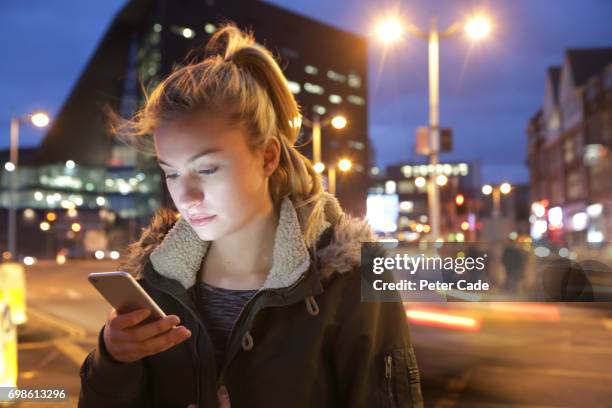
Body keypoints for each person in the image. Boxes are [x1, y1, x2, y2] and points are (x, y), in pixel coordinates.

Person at [78, 24, 423, 408]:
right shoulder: (156, 282)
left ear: (268, 157)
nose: (186, 196)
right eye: (171, 172)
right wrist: (112, 359)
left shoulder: (352, 278)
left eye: (207, 169)